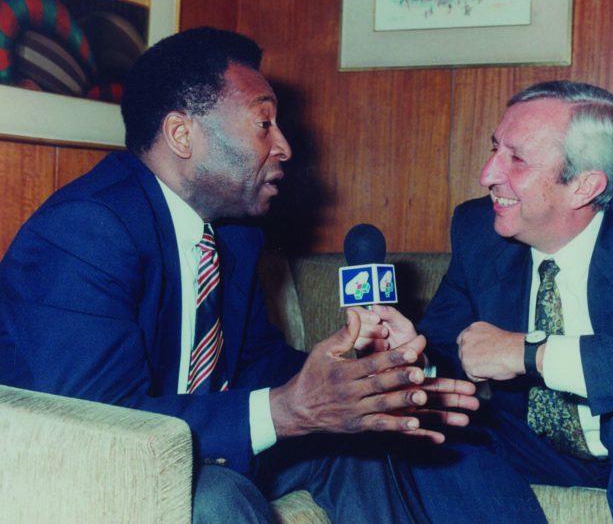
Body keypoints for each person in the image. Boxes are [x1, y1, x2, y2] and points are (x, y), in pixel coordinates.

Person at [0, 26, 479, 523]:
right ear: (182, 135)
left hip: (184, 439)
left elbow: (253, 360)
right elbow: (105, 424)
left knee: (356, 441)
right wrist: (289, 409)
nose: (285, 147)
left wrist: (366, 384)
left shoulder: (232, 234)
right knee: (217, 496)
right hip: (69, 462)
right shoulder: (86, 229)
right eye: (264, 123)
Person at [357, 80, 613, 523]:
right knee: (413, 436)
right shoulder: (479, 229)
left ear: (585, 186)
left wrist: (532, 353)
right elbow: (453, 359)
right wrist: (415, 359)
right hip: (537, 444)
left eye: (517, 159)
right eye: (495, 148)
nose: (488, 174)